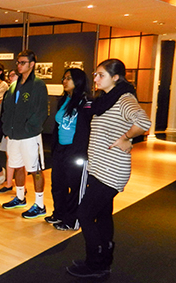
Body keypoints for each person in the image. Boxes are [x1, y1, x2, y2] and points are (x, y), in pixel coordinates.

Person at [67, 59, 151, 278]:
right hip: (99, 168)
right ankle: (104, 261)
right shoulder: (105, 99)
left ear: (115, 77)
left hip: (111, 171)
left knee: (84, 214)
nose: (95, 79)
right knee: (103, 215)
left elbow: (143, 121)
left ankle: (95, 263)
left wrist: (126, 137)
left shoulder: (124, 98)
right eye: (95, 74)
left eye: (101, 75)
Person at [1, 50, 48, 219]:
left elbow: (41, 112)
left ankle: (40, 204)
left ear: (32, 64)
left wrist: (29, 128)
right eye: (18, 63)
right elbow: (7, 109)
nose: (19, 66)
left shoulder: (38, 85)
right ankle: (20, 197)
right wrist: (7, 128)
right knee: (17, 165)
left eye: (22, 63)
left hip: (30, 136)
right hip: (13, 135)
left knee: (35, 169)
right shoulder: (14, 86)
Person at [45, 68, 91, 231]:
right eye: (64, 78)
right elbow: (58, 125)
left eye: (69, 78)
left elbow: (87, 128)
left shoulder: (85, 102)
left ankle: (72, 220)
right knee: (57, 183)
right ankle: (59, 214)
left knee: (75, 186)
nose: (64, 81)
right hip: (60, 149)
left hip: (76, 150)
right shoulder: (63, 100)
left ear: (77, 81)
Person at [0, 69, 23, 193]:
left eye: (13, 75)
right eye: (9, 75)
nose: (10, 77)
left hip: (19, 131)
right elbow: (5, 111)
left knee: (19, 159)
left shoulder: (24, 91)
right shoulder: (9, 92)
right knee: (9, 156)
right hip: (8, 129)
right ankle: (9, 183)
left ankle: (21, 187)